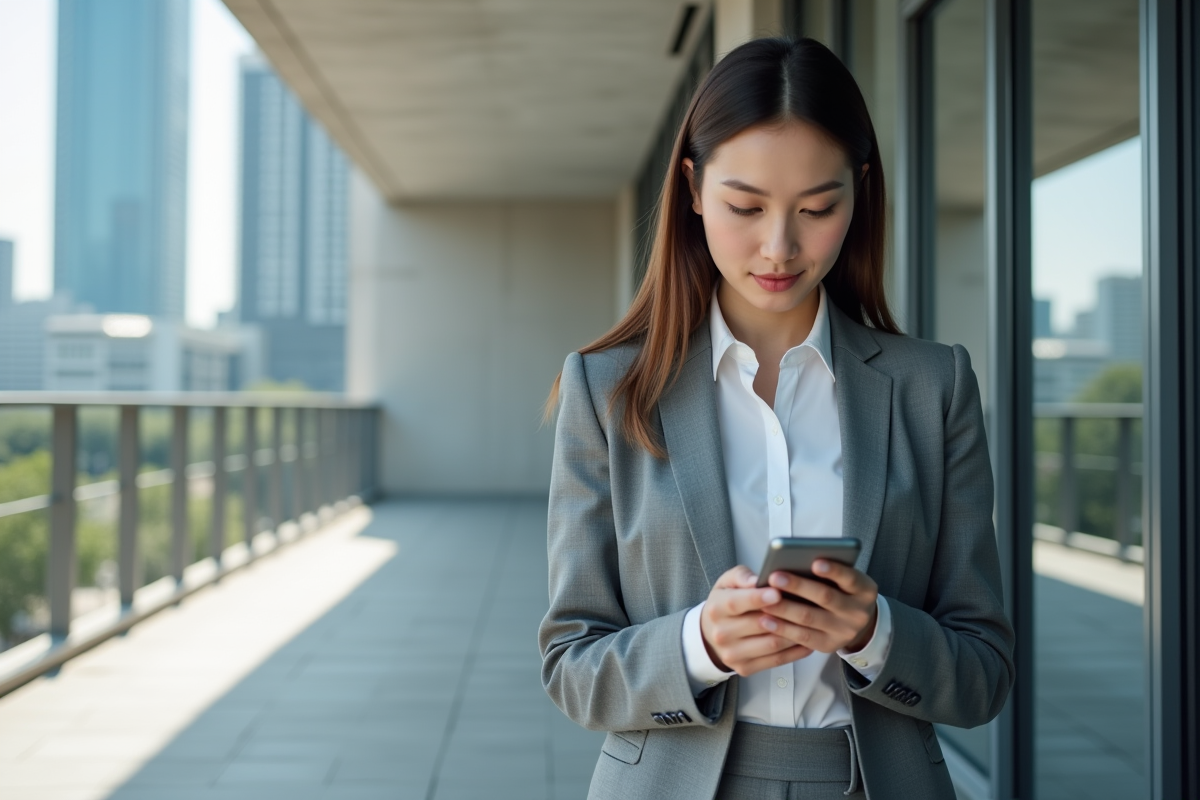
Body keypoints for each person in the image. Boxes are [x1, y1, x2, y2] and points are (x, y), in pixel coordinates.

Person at [538, 37, 1014, 800]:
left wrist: (874, 632)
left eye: (818, 208)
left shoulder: (933, 386)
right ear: (692, 188)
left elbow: (984, 675)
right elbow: (571, 668)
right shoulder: (608, 389)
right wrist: (700, 643)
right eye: (745, 206)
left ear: (859, 193)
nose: (780, 247)